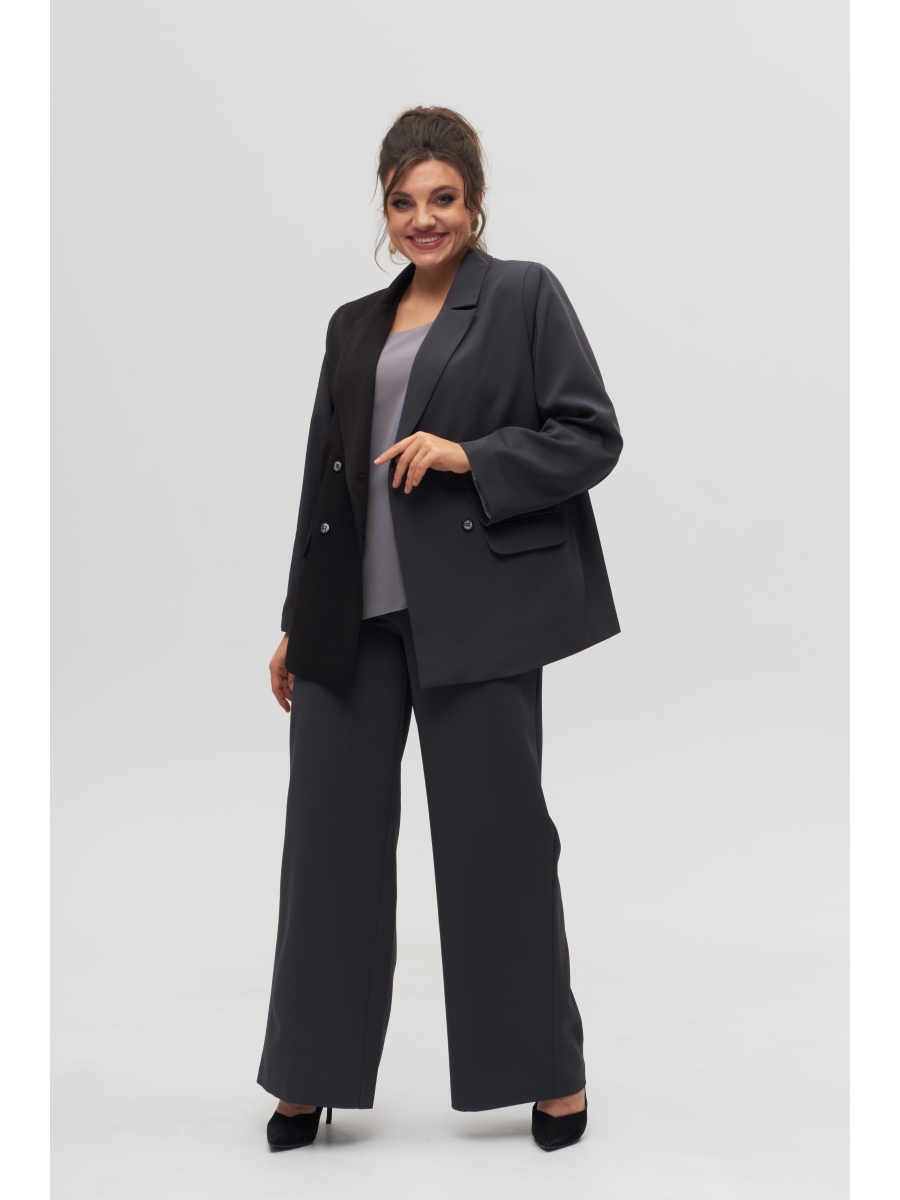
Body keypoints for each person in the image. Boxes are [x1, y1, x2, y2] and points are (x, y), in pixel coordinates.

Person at [258, 106, 622, 1153]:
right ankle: (309, 1074)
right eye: (404, 202)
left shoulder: (522, 296)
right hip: (351, 626)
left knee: (498, 848)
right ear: (384, 211)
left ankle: (547, 1073)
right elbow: (325, 483)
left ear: (475, 199)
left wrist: (471, 455)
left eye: (444, 199)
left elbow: (591, 435)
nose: (425, 219)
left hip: (476, 619)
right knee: (326, 850)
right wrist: (296, 620)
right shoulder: (351, 326)